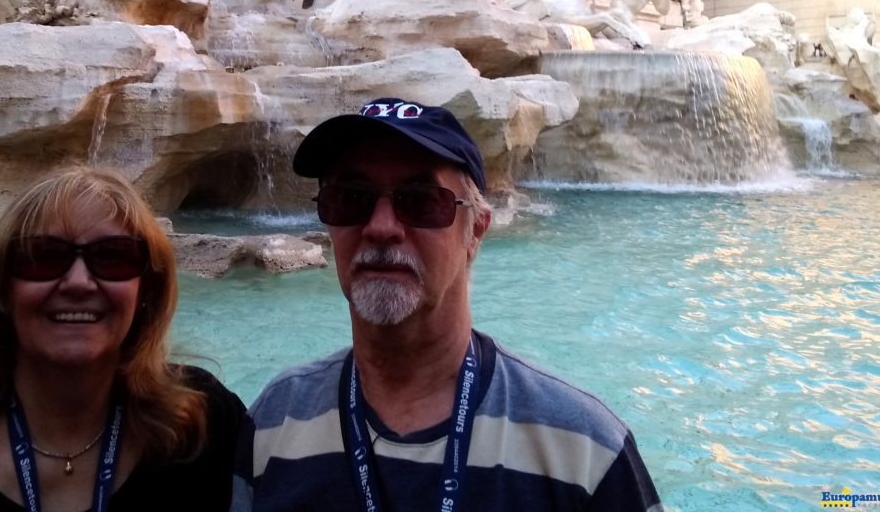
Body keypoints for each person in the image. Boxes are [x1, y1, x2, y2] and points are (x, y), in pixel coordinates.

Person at [232, 98, 662, 511]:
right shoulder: (274, 421)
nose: (382, 228)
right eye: (351, 199)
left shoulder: (585, 449)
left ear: (476, 230)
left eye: (420, 201)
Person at [0, 166, 243, 511]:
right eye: (43, 256)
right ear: (1, 290)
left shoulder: (204, 425)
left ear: (145, 293)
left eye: (112, 257)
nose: (79, 282)